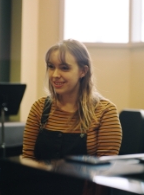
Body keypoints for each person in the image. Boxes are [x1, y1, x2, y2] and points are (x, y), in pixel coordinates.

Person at [22, 39, 122, 194]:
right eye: (51, 67)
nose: (55, 75)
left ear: (83, 71)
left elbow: (103, 174)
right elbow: (28, 160)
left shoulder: (104, 111)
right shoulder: (39, 108)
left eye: (64, 68)